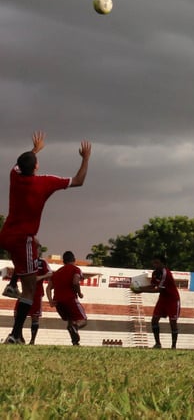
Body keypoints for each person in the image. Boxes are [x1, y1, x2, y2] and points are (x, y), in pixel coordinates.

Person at [1, 131, 90, 344]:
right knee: (30, 289)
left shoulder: (14, 175)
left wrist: (34, 149)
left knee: (30, 260)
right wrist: (86, 158)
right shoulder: (44, 183)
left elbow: (20, 163)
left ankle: (13, 284)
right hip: (23, 239)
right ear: (36, 167)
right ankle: (15, 334)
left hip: (6, 236)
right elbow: (78, 181)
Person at [135, 254, 181, 349]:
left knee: (173, 322)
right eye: (154, 262)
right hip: (163, 299)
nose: (155, 265)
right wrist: (139, 288)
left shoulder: (166, 273)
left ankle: (173, 346)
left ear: (163, 263)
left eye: (157, 263)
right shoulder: (155, 273)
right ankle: (158, 344)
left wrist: (141, 290)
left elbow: (158, 289)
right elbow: (152, 286)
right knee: (154, 320)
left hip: (172, 300)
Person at [46, 250, 86, 345]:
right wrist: (79, 293)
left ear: (63, 261)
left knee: (70, 321)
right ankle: (75, 327)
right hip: (70, 299)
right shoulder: (76, 269)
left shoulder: (57, 273)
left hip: (58, 302)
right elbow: (75, 282)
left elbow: (48, 288)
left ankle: (75, 342)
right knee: (83, 321)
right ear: (74, 259)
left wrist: (50, 300)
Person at [14, 257, 51, 345]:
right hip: (25, 293)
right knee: (17, 314)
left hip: (36, 293)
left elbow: (50, 273)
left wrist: (40, 277)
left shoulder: (42, 262)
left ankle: (32, 341)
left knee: (35, 316)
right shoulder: (26, 261)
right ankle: (20, 337)